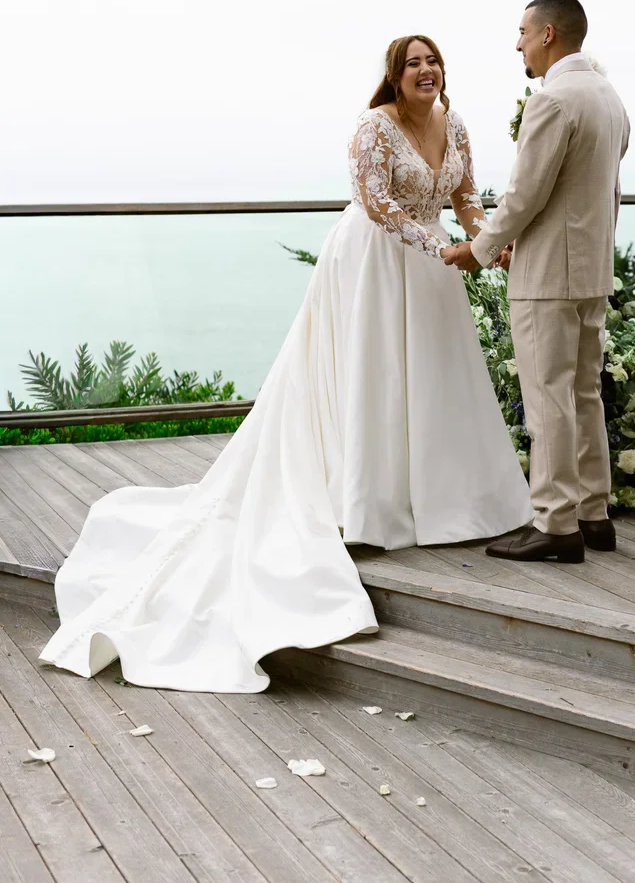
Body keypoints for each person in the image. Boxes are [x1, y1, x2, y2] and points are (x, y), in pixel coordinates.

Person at [39, 34, 532, 693]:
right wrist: (436, 245)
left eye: (432, 60)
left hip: (435, 266)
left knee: (438, 381)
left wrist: (483, 238)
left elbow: (466, 193)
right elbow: (375, 201)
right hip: (375, 260)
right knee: (375, 380)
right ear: (394, 76)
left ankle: (448, 502)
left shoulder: (456, 123)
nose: (426, 70)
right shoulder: (374, 126)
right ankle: (370, 505)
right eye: (413, 63)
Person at [444, 0, 630, 562]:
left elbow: (525, 195)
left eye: (523, 32)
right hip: (592, 270)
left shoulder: (552, 100)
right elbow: (604, 191)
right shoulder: (609, 98)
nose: (518, 44)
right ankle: (594, 515)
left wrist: (480, 249)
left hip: (548, 276)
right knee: (584, 393)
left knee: (548, 397)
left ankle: (554, 523)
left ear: (548, 34)